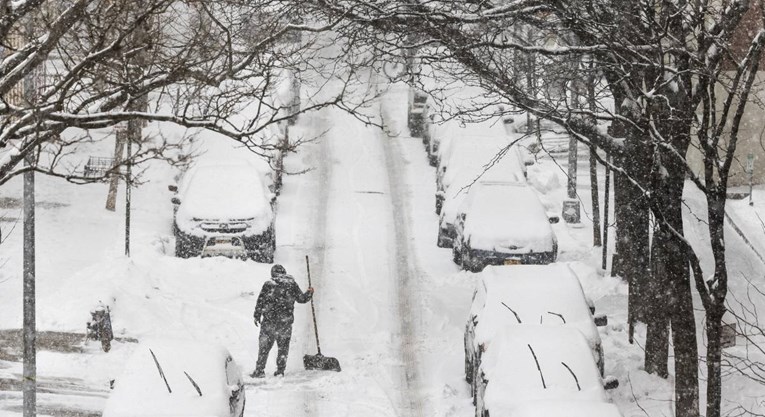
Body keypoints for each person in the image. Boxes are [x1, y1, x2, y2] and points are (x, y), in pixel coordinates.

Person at [252, 264, 314, 378]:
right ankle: (280, 371)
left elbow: (260, 301)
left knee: (264, 347)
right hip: (285, 323)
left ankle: (259, 370)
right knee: (283, 347)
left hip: (269, 322)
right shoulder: (292, 285)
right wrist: (309, 292)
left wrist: (257, 315)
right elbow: (301, 299)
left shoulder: (268, 284)